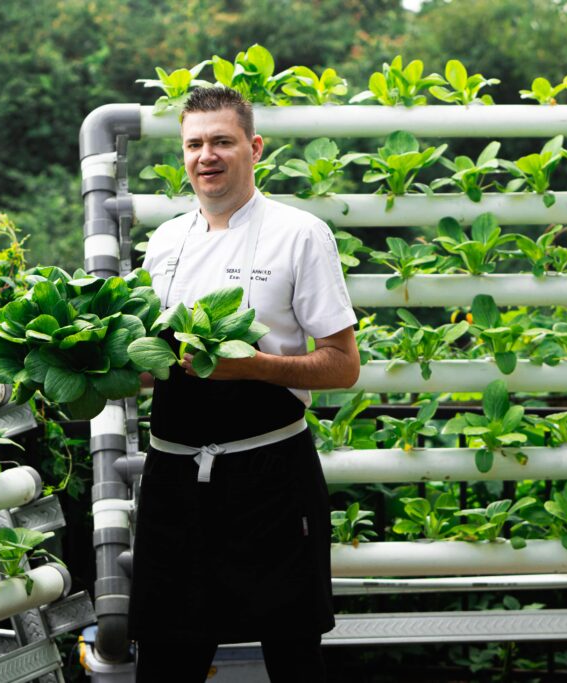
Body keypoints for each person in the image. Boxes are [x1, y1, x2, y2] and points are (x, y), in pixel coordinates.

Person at [130, 86, 360, 683]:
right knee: (165, 658)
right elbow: (150, 365)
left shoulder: (300, 234)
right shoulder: (163, 243)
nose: (207, 155)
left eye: (222, 142)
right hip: (175, 478)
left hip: (271, 480)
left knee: (293, 655)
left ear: (253, 148)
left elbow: (342, 365)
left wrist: (255, 366)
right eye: (195, 144)